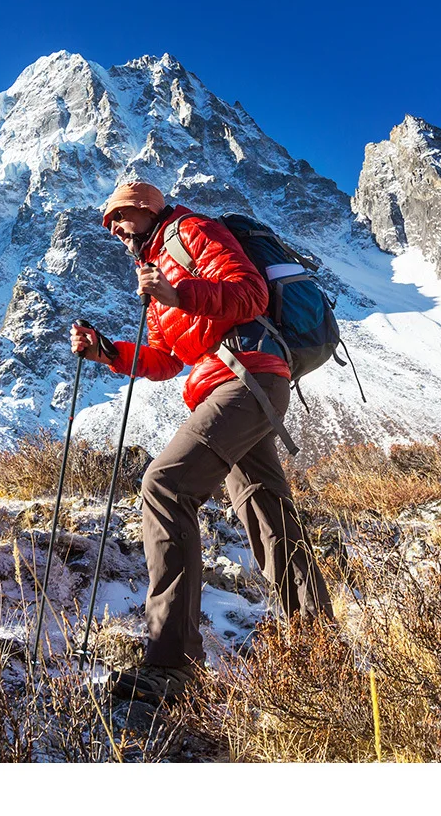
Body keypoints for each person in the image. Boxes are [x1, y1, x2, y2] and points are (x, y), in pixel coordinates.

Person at [70, 181, 333, 701]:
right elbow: (167, 359)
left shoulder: (192, 233)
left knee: (166, 487)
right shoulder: (153, 274)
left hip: (246, 377)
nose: (117, 232)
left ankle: (171, 667)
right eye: (111, 225)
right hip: (234, 385)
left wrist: (179, 291)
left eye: (121, 218)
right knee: (267, 514)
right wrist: (108, 352)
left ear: (147, 209)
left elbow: (250, 294)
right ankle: (321, 651)